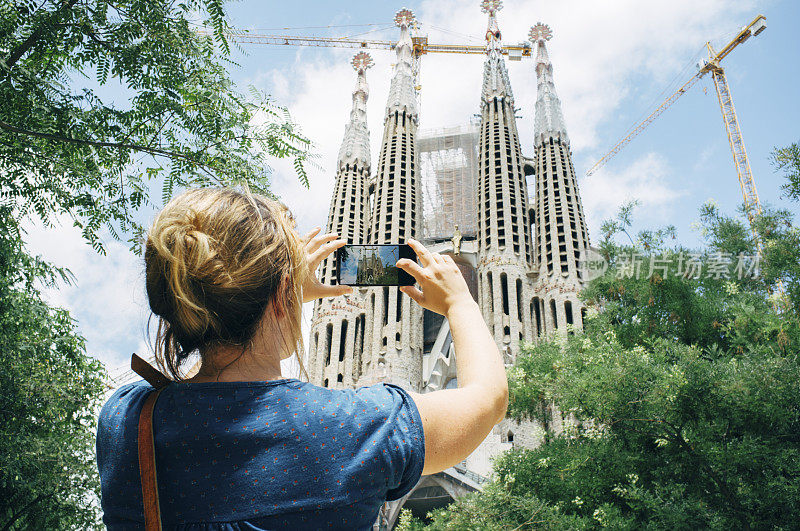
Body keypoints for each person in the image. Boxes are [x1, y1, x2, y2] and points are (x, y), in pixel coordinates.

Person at [96, 187, 507, 529]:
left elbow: (209, 394)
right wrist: (460, 302)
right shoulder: (355, 430)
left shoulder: (126, 420)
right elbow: (487, 400)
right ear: (281, 294)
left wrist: (276, 296)